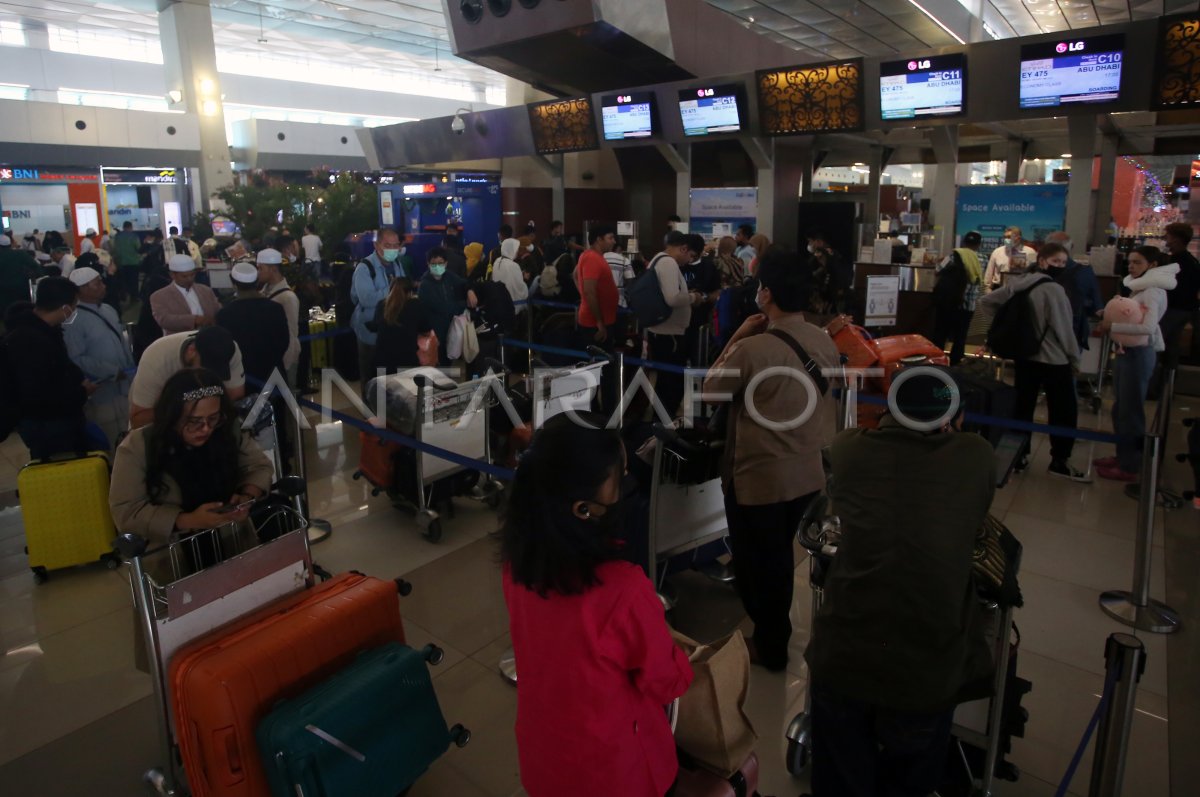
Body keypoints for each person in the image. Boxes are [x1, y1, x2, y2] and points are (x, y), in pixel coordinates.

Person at [805, 368, 995, 797]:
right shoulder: (976, 456)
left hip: (843, 655)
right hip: (925, 669)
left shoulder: (847, 448)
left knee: (839, 780)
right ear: (951, 419)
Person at [499, 413, 693, 797]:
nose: (625, 484)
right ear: (582, 509)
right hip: (617, 774)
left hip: (544, 762)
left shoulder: (516, 567)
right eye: (619, 478)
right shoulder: (623, 590)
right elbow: (668, 680)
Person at [703, 249, 838, 671]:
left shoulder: (754, 348)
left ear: (766, 294)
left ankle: (771, 644)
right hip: (808, 473)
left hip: (759, 478)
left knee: (758, 566)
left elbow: (709, 391)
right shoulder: (824, 339)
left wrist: (737, 335)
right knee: (779, 557)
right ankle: (774, 635)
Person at [979, 241, 1087, 481]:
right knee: (1063, 410)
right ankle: (1060, 460)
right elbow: (1064, 329)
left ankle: (1018, 457)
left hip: (1025, 356)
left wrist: (1010, 326)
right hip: (1054, 359)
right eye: (1055, 261)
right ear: (1042, 261)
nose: (1059, 266)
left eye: (1063, 262)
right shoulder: (1055, 290)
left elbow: (986, 302)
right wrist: (1074, 358)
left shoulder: (1018, 284)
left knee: (1022, 406)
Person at [1095, 246, 1180, 482]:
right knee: (1121, 408)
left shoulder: (1153, 291)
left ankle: (1129, 465)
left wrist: (1112, 327)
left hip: (1138, 354)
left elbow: (1147, 328)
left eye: (1138, 262)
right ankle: (1123, 455)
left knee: (1130, 410)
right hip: (1127, 352)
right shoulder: (1139, 287)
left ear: (1152, 265)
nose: (1131, 266)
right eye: (1130, 262)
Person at [3, 277, 101, 459]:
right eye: (74, 306)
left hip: (55, 421)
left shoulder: (45, 330)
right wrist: (81, 392)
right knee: (60, 474)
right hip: (48, 426)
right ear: (65, 308)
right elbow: (38, 394)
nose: (74, 312)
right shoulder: (29, 341)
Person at [64, 267, 135, 451]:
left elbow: (121, 342)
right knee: (111, 441)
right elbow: (75, 357)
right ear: (82, 290)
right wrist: (111, 371)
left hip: (124, 387)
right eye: (98, 283)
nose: (103, 286)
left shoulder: (108, 309)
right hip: (101, 393)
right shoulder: (73, 319)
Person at [128, 326, 247, 429]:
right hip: (161, 426)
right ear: (191, 351)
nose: (208, 377)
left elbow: (236, 395)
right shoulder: (156, 359)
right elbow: (138, 421)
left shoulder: (229, 349)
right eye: (205, 368)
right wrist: (182, 408)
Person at [215, 262, 290, 388]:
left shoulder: (225, 314)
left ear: (233, 283)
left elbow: (226, 349)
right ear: (256, 282)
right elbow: (284, 341)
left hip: (243, 377)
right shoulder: (275, 308)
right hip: (273, 374)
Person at [644, 231, 694, 418]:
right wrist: (693, 297)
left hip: (664, 331)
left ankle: (662, 421)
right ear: (683, 248)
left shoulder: (659, 260)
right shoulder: (668, 263)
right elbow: (672, 298)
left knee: (666, 381)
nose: (689, 260)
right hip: (668, 334)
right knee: (670, 383)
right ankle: (663, 425)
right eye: (690, 255)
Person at [351, 229, 406, 391]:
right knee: (370, 377)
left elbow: (404, 289)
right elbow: (367, 299)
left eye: (396, 245)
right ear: (376, 245)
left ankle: (388, 411)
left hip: (391, 330)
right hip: (369, 331)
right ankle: (370, 413)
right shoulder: (364, 268)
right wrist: (393, 290)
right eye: (388, 245)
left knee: (389, 377)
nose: (392, 249)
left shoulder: (397, 264)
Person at [1044, 231, 1103, 354]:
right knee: (1069, 368)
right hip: (1073, 330)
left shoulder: (1036, 271)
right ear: (1071, 247)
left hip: (1043, 331)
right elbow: (1097, 304)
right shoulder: (1085, 272)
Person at [932, 231, 985, 366]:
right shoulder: (983, 259)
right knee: (960, 337)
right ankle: (956, 365)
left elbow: (937, 269)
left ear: (964, 242)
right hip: (968, 306)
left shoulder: (953, 255)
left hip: (950, 303)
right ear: (978, 245)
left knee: (941, 333)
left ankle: (937, 362)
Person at [1156, 222, 1200, 384]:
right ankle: (1168, 386)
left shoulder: (1173, 263)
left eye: (1168, 236)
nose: (1165, 239)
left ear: (1175, 239)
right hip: (1186, 310)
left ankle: (1153, 386)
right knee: (1172, 349)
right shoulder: (1192, 262)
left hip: (1172, 309)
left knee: (1157, 345)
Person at [417, 246, 477, 364]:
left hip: (449, 330)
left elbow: (464, 282)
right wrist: (465, 304)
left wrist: (470, 290)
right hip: (434, 334)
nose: (438, 266)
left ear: (446, 263)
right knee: (437, 367)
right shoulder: (425, 285)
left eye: (441, 263)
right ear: (428, 264)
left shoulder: (447, 276)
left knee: (447, 364)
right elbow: (445, 308)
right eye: (434, 264)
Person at [256, 248, 302, 388]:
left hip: (285, 360)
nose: (258, 272)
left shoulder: (287, 297)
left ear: (273, 269)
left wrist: (286, 363)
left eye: (260, 268)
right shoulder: (264, 291)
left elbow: (291, 334)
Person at [150, 254, 220, 335]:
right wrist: (194, 320)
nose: (189, 279)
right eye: (184, 276)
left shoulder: (206, 290)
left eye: (192, 275)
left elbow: (217, 310)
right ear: (172, 275)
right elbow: (165, 320)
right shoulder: (159, 296)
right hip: (178, 341)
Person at [373, 277, 432, 372]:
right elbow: (426, 330)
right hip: (406, 360)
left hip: (382, 361)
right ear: (410, 292)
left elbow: (376, 326)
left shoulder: (381, 305)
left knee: (384, 386)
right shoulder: (415, 305)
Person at [576, 225, 619, 347]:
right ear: (599, 240)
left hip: (599, 320)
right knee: (600, 363)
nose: (614, 242)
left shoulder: (593, 256)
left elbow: (575, 275)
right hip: (594, 324)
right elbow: (589, 291)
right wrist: (599, 322)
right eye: (610, 238)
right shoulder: (592, 258)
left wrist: (584, 296)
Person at [682, 233, 722, 366]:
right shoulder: (677, 264)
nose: (689, 259)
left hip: (700, 321)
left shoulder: (708, 267)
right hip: (679, 320)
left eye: (693, 256)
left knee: (698, 357)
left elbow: (717, 292)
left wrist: (703, 297)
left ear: (700, 253)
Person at [0, 233, 40, 329]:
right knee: (23, 316)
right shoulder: (21, 254)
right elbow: (37, 269)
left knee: (6, 318)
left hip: (3, 295)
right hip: (23, 292)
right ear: (10, 244)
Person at [807, 231, 853, 313]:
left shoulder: (833, 257)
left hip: (834, 301)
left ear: (819, 242)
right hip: (827, 299)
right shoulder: (834, 256)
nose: (809, 244)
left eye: (810, 241)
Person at [983, 225, 1037, 290]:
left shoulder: (1030, 252)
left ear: (1018, 238)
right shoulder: (997, 252)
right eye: (1004, 237)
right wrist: (987, 289)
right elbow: (989, 273)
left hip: (1022, 289)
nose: (1006, 239)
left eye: (1009, 237)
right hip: (999, 289)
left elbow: (1035, 273)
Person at [491, 238, 530, 310]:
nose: (517, 251)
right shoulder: (514, 265)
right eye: (516, 249)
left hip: (498, 302)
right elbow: (520, 288)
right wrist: (524, 278)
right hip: (512, 304)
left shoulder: (497, 261)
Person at [113, 221, 142, 302]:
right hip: (133, 262)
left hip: (121, 262)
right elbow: (138, 248)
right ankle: (134, 297)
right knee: (134, 280)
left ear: (123, 227)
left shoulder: (117, 236)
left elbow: (115, 248)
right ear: (130, 227)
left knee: (123, 280)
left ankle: (123, 295)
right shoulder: (134, 236)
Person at [603, 237, 636, 308]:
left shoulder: (598, 258)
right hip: (619, 301)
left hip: (601, 300)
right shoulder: (624, 260)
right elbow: (630, 280)